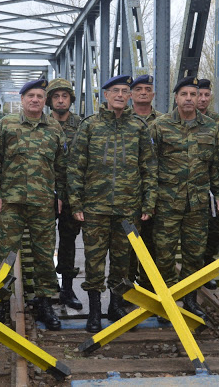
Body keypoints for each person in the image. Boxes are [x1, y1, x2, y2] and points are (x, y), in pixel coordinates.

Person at [67, 74, 157, 333]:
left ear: (129, 96)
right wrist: (76, 203)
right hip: (95, 207)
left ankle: (116, 306)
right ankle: (94, 312)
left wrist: (148, 204)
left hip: (128, 207)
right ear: (105, 95)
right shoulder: (90, 126)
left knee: (122, 261)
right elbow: (76, 167)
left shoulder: (138, 127)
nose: (120, 95)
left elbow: (149, 167)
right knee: (94, 261)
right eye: (114, 90)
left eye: (124, 91)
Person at [0, 78, 67, 330]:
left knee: (44, 255)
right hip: (11, 202)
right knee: (6, 255)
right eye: (30, 95)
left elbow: (61, 166)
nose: (35, 100)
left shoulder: (54, 128)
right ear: (21, 99)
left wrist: (60, 195)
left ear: (45, 101)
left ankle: (43, 303)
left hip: (43, 202)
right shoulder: (6, 125)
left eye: (40, 96)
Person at [151, 76, 219, 319]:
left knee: (194, 254)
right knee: (164, 253)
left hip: (197, 203)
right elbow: (150, 165)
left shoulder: (211, 127)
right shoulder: (160, 126)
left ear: (200, 98)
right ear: (176, 97)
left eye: (193, 95)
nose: (189, 99)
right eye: (184, 94)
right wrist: (150, 198)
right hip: (167, 202)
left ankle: (190, 299)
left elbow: (215, 164)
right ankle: (167, 300)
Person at [45, 78, 83, 310]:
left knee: (68, 241)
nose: (61, 100)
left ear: (71, 99)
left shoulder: (82, 125)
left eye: (65, 96)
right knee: (45, 243)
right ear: (50, 100)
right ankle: (49, 288)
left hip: (72, 193)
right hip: (47, 192)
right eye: (56, 96)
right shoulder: (41, 124)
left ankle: (68, 289)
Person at [196, 78, 219, 289]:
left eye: (206, 95)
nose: (201, 99)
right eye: (198, 94)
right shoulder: (176, 119)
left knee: (212, 229)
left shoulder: (217, 121)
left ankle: (207, 269)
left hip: (211, 186)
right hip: (186, 185)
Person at [129, 74, 162, 289]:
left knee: (153, 242)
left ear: (153, 94)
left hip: (157, 191)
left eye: (147, 89)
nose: (143, 92)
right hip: (128, 192)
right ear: (131, 94)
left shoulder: (164, 121)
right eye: (138, 88)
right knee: (129, 244)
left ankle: (150, 288)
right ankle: (129, 288)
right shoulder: (121, 120)